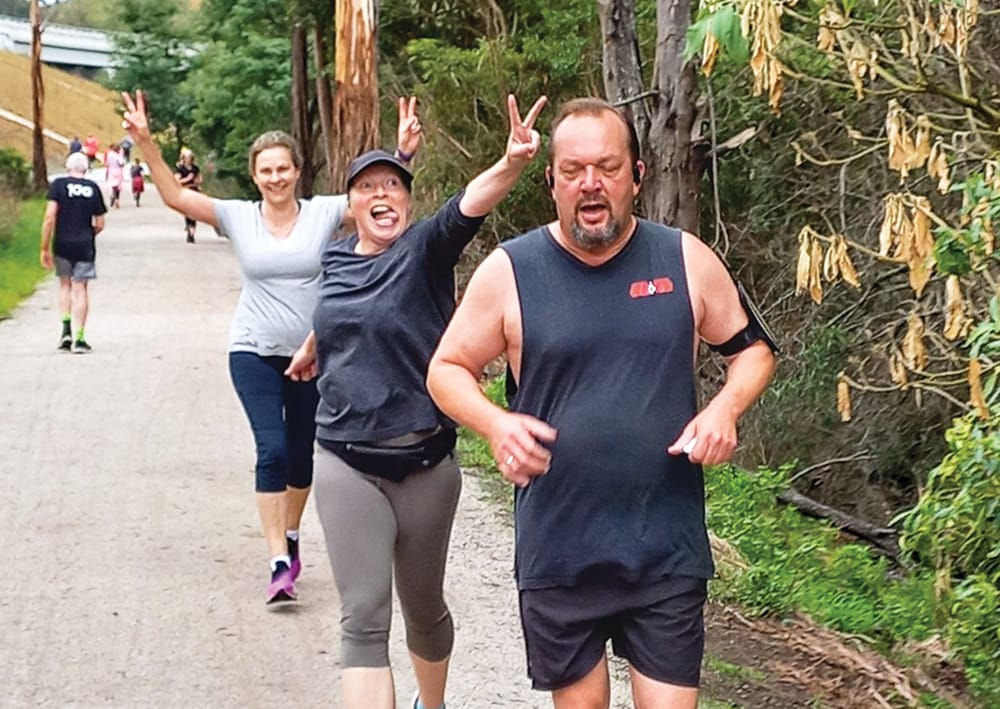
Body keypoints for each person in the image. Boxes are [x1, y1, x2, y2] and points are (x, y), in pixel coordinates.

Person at [425, 97, 778, 709]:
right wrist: (494, 423)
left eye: (608, 168)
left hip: (664, 546)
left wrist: (725, 408)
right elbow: (445, 369)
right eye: (573, 170)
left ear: (637, 177)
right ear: (551, 181)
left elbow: (752, 351)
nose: (591, 183)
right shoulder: (512, 271)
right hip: (561, 549)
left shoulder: (684, 259)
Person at [284, 94, 547, 709]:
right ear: (349, 206)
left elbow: (470, 204)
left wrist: (510, 163)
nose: (384, 196)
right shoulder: (335, 258)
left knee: (424, 607)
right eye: (369, 188)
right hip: (345, 458)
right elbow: (346, 305)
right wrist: (313, 344)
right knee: (363, 618)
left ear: (409, 201)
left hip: (426, 463)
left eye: (395, 188)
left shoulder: (426, 249)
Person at [121, 89, 422, 605]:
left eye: (283, 168)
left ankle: (291, 533)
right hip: (253, 349)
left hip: (313, 356)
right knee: (273, 450)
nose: (276, 177)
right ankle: (278, 560)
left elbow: (379, 202)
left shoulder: (325, 213)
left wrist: (404, 156)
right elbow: (176, 198)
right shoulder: (238, 216)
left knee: (303, 458)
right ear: (254, 175)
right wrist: (147, 142)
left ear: (297, 172)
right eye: (266, 170)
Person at [39, 151, 108, 354]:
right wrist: (88, 233)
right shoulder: (93, 188)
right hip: (84, 245)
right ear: (86, 169)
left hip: (62, 244)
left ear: (67, 167)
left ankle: (65, 331)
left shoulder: (58, 185)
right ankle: (80, 338)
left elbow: (50, 217)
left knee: (64, 285)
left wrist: (44, 246)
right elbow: (100, 223)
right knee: (81, 289)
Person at [174, 148, 202, 243]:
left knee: (194, 212)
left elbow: (200, 178)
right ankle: (189, 229)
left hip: (194, 189)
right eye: (187, 158)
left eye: (190, 158)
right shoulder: (180, 169)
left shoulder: (195, 168)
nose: (188, 159)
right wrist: (187, 178)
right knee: (187, 211)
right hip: (185, 190)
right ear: (184, 159)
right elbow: (177, 181)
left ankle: (192, 233)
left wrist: (198, 181)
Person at [104, 143, 126, 209]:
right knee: (118, 187)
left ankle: (111, 195)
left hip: (111, 170)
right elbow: (121, 163)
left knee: (111, 184)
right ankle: (117, 199)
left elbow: (107, 164)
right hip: (118, 171)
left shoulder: (109, 154)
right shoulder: (118, 156)